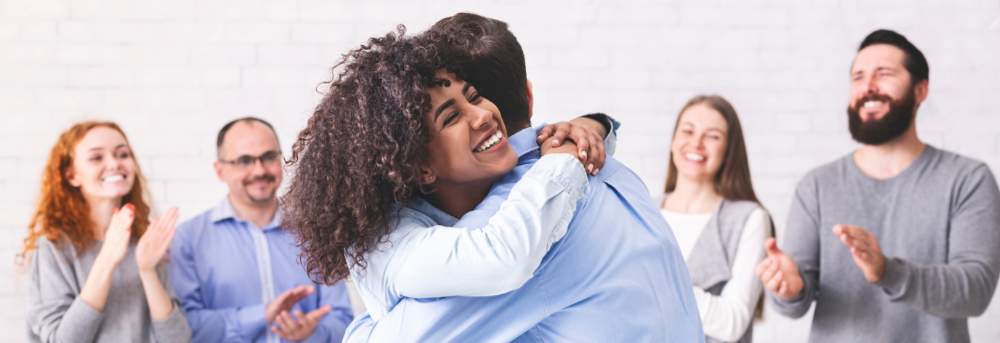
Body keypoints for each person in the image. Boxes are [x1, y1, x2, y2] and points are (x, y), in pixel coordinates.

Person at [294, 13, 702, 342]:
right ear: (527, 94)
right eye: (452, 116)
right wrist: (592, 127)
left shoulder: (522, 217)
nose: (481, 116)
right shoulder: (612, 169)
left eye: (473, 97)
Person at [755, 29, 1000, 342]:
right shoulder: (816, 185)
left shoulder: (968, 179)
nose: (868, 87)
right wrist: (790, 289)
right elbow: (793, 305)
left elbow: (976, 292)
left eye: (884, 74)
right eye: (858, 77)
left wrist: (888, 271)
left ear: (920, 90)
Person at [168, 118, 354, 343]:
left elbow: (343, 321)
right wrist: (262, 314)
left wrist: (313, 333)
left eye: (269, 157)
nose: (260, 170)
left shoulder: (316, 231)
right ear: (220, 170)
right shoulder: (187, 239)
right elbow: (186, 328)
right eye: (244, 160)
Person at [22, 121, 191, 343]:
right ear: (72, 175)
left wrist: (148, 271)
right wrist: (107, 260)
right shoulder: (54, 246)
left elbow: (177, 339)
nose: (114, 164)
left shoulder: (144, 241)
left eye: (122, 154)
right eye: (96, 158)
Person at [658, 95, 771, 343]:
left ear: (729, 151)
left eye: (712, 136)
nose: (696, 143)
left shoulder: (749, 219)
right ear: (674, 140)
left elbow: (732, 324)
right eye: (688, 131)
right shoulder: (644, 211)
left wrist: (660, 284)